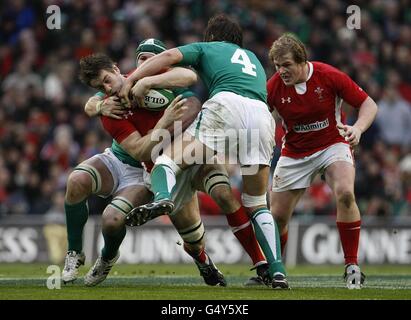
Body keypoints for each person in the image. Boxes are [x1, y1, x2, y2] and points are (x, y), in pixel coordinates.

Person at [64, 39, 267, 286]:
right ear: (131, 64)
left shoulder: (170, 83)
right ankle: (88, 253)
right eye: (141, 59)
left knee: (224, 193)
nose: (146, 63)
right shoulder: (111, 105)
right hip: (148, 163)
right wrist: (97, 106)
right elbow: (137, 149)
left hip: (190, 153)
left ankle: (261, 263)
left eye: (152, 59)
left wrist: (150, 83)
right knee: (87, 190)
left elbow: (191, 90)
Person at [119, 15, 288, 289]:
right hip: (261, 114)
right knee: (257, 202)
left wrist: (136, 78)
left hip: (226, 105)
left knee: (167, 161)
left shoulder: (209, 48)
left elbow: (171, 57)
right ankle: (276, 270)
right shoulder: (254, 59)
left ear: (212, 37)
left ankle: (163, 197)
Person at [266, 34, 378, 289]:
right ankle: (273, 269)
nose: (281, 71)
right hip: (294, 152)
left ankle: (352, 266)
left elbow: (368, 104)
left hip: (332, 144)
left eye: (286, 65)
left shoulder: (328, 75)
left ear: (302, 60)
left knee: (346, 193)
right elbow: (262, 116)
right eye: (276, 66)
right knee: (277, 218)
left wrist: (358, 129)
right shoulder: (273, 87)